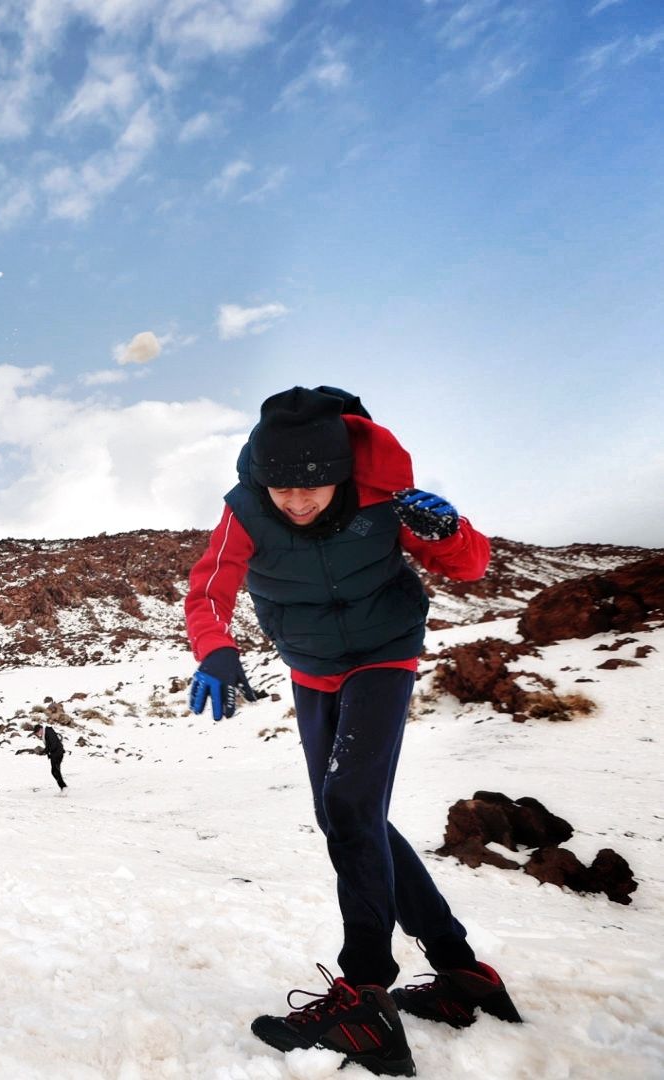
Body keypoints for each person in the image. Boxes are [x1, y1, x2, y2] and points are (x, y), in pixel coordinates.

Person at [183, 386, 520, 1077]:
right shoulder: (244, 510)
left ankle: (364, 994)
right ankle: (462, 972)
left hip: (382, 656)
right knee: (352, 816)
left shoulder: (383, 497)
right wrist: (215, 649)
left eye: (314, 487)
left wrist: (448, 532)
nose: (298, 502)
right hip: (310, 670)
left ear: (343, 471)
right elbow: (208, 588)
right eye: (282, 488)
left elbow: (473, 564)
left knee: (349, 810)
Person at [32, 723, 67, 795]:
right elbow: (50, 745)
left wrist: (44, 751)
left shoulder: (48, 732)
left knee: (55, 771)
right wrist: (44, 752)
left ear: (41, 729)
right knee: (54, 771)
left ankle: (64, 788)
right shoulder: (46, 732)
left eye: (38, 732)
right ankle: (63, 788)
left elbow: (53, 745)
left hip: (57, 753)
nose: (38, 734)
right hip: (55, 754)